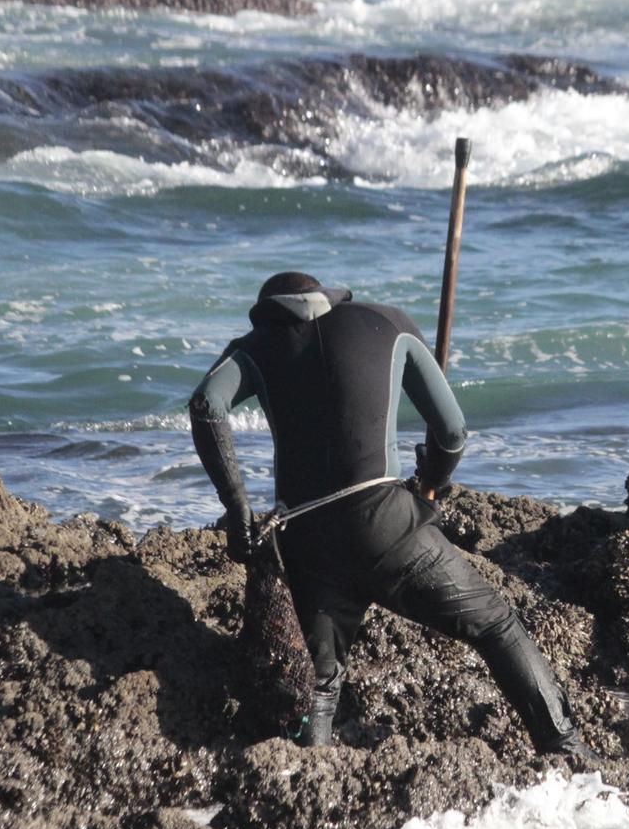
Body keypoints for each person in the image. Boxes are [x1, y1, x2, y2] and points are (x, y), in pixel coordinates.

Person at [188, 271, 595, 761]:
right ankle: (569, 751)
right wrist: (430, 485)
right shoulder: (388, 323)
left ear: (267, 311)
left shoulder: (252, 346)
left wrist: (238, 511)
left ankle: (309, 782)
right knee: (495, 624)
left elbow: (207, 404)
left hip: (306, 541)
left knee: (320, 682)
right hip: (387, 523)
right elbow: (452, 432)